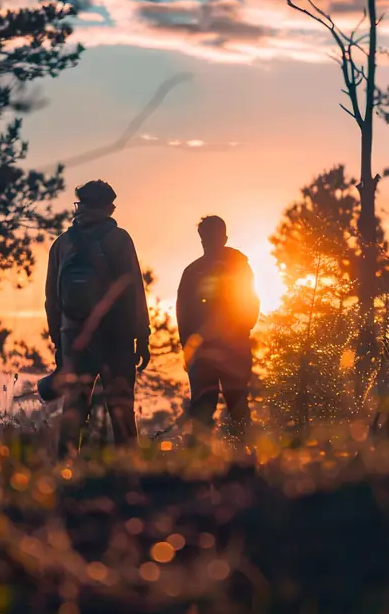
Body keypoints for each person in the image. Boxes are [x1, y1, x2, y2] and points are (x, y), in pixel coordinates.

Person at [44, 180, 150, 454]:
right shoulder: (119, 239)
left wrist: (60, 341)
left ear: (80, 205)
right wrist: (143, 337)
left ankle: (63, 473)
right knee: (121, 408)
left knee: (74, 408)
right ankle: (129, 473)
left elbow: (52, 299)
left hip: (74, 338)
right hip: (116, 338)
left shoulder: (62, 244)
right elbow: (135, 291)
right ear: (108, 207)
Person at [176, 215, 260, 440]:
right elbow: (252, 301)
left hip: (209, 349)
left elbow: (182, 315)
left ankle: (201, 461)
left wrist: (189, 347)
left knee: (205, 407)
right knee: (237, 404)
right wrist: (242, 330)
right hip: (233, 347)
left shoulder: (192, 271)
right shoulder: (239, 266)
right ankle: (244, 456)